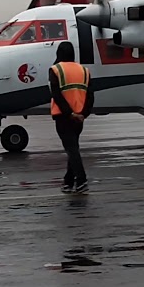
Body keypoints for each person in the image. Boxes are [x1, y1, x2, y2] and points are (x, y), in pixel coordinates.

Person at [48, 41, 94, 193]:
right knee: (73, 147)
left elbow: (57, 95)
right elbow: (90, 96)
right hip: (79, 118)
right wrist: (83, 114)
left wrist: (69, 113)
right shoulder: (84, 71)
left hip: (64, 117)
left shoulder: (55, 70)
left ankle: (81, 180)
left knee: (72, 150)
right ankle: (68, 182)